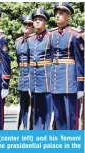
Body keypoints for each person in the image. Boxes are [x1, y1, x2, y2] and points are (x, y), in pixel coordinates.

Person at [50, 2, 84, 130]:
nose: (58, 16)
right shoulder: (51, 34)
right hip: (55, 81)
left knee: (71, 117)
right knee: (59, 117)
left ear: (68, 16)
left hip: (70, 82)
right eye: (56, 13)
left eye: (61, 13)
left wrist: (80, 86)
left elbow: (80, 61)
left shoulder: (75, 35)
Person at [27, 8, 53, 130]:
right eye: (35, 20)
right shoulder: (30, 39)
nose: (37, 22)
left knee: (47, 112)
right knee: (36, 112)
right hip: (34, 78)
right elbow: (28, 61)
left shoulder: (51, 37)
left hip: (47, 78)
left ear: (45, 22)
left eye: (40, 19)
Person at [15, 16, 34, 130]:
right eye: (24, 24)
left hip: (31, 74)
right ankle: (24, 127)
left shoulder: (34, 41)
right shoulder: (18, 41)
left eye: (29, 25)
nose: (26, 27)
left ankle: (31, 128)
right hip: (22, 75)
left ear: (33, 27)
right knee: (23, 105)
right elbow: (18, 59)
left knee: (34, 105)